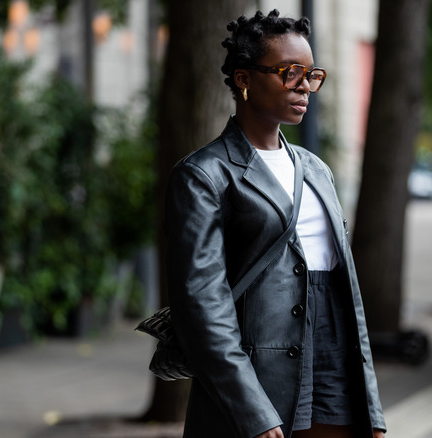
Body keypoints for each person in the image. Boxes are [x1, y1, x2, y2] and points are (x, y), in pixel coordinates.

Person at [164, 9, 386, 438]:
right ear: (244, 79)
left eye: (311, 74)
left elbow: (349, 294)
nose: (304, 86)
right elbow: (202, 306)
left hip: (333, 354)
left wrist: (371, 408)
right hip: (259, 369)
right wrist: (251, 408)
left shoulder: (316, 169)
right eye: (289, 73)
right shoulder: (204, 174)